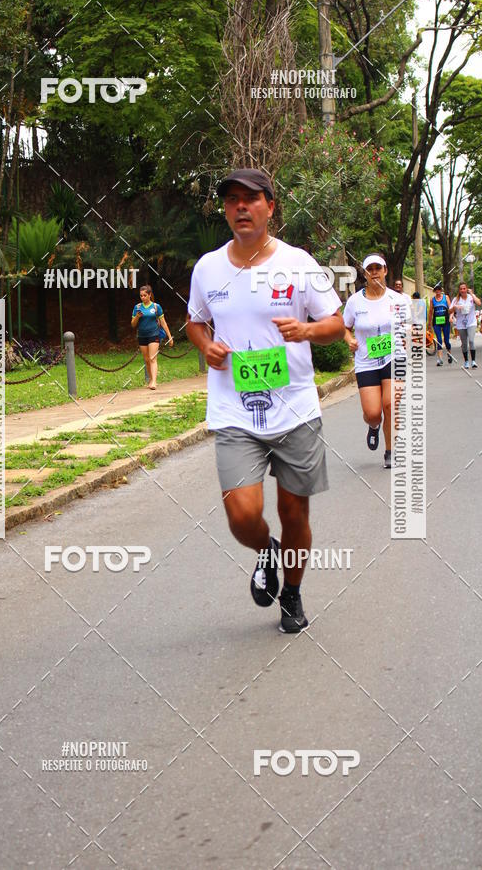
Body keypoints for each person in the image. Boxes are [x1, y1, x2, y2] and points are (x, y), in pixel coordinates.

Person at [185, 168, 344, 633]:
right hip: (235, 408)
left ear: (270, 207)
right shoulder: (208, 267)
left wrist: (307, 329)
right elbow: (195, 321)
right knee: (242, 514)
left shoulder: (298, 263)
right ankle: (265, 550)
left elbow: (336, 324)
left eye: (250, 199)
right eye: (232, 200)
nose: (240, 207)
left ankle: (292, 594)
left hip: (294, 408)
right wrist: (205, 345)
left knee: (294, 511)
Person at [343, 254, 406, 469]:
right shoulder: (354, 302)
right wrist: (349, 339)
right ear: (365, 274)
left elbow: (414, 324)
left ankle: (390, 451)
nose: (375, 272)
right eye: (370, 269)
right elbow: (344, 326)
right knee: (373, 413)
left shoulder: (398, 300)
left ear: (385, 271)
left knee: (390, 405)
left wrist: (412, 340)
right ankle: (373, 426)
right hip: (366, 361)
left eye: (378, 268)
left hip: (394, 357)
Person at [131, 284, 173, 389]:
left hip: (154, 335)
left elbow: (163, 323)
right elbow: (133, 324)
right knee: (146, 359)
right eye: (141, 296)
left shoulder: (156, 307)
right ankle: (150, 379)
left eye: (145, 295)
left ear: (150, 295)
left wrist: (169, 336)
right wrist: (137, 316)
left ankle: (154, 381)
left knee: (152, 358)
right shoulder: (137, 307)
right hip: (142, 335)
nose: (143, 297)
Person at [450, 282, 480, 369]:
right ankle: (466, 361)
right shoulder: (456, 300)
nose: (463, 290)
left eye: (464, 288)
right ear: (459, 290)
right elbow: (449, 311)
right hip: (461, 324)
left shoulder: (471, 297)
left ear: (466, 289)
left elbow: (479, 303)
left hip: (471, 322)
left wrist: (472, 294)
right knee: (464, 343)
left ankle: (473, 361)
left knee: (471, 340)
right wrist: (455, 307)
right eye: (461, 289)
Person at [429, 282, 453, 366]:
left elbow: (451, 309)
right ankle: (440, 359)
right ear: (434, 291)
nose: (438, 291)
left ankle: (449, 354)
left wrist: (451, 317)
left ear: (441, 290)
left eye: (439, 289)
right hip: (436, 323)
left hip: (446, 321)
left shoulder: (445, 297)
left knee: (446, 341)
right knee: (439, 340)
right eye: (436, 290)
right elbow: (431, 311)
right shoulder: (432, 299)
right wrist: (429, 323)